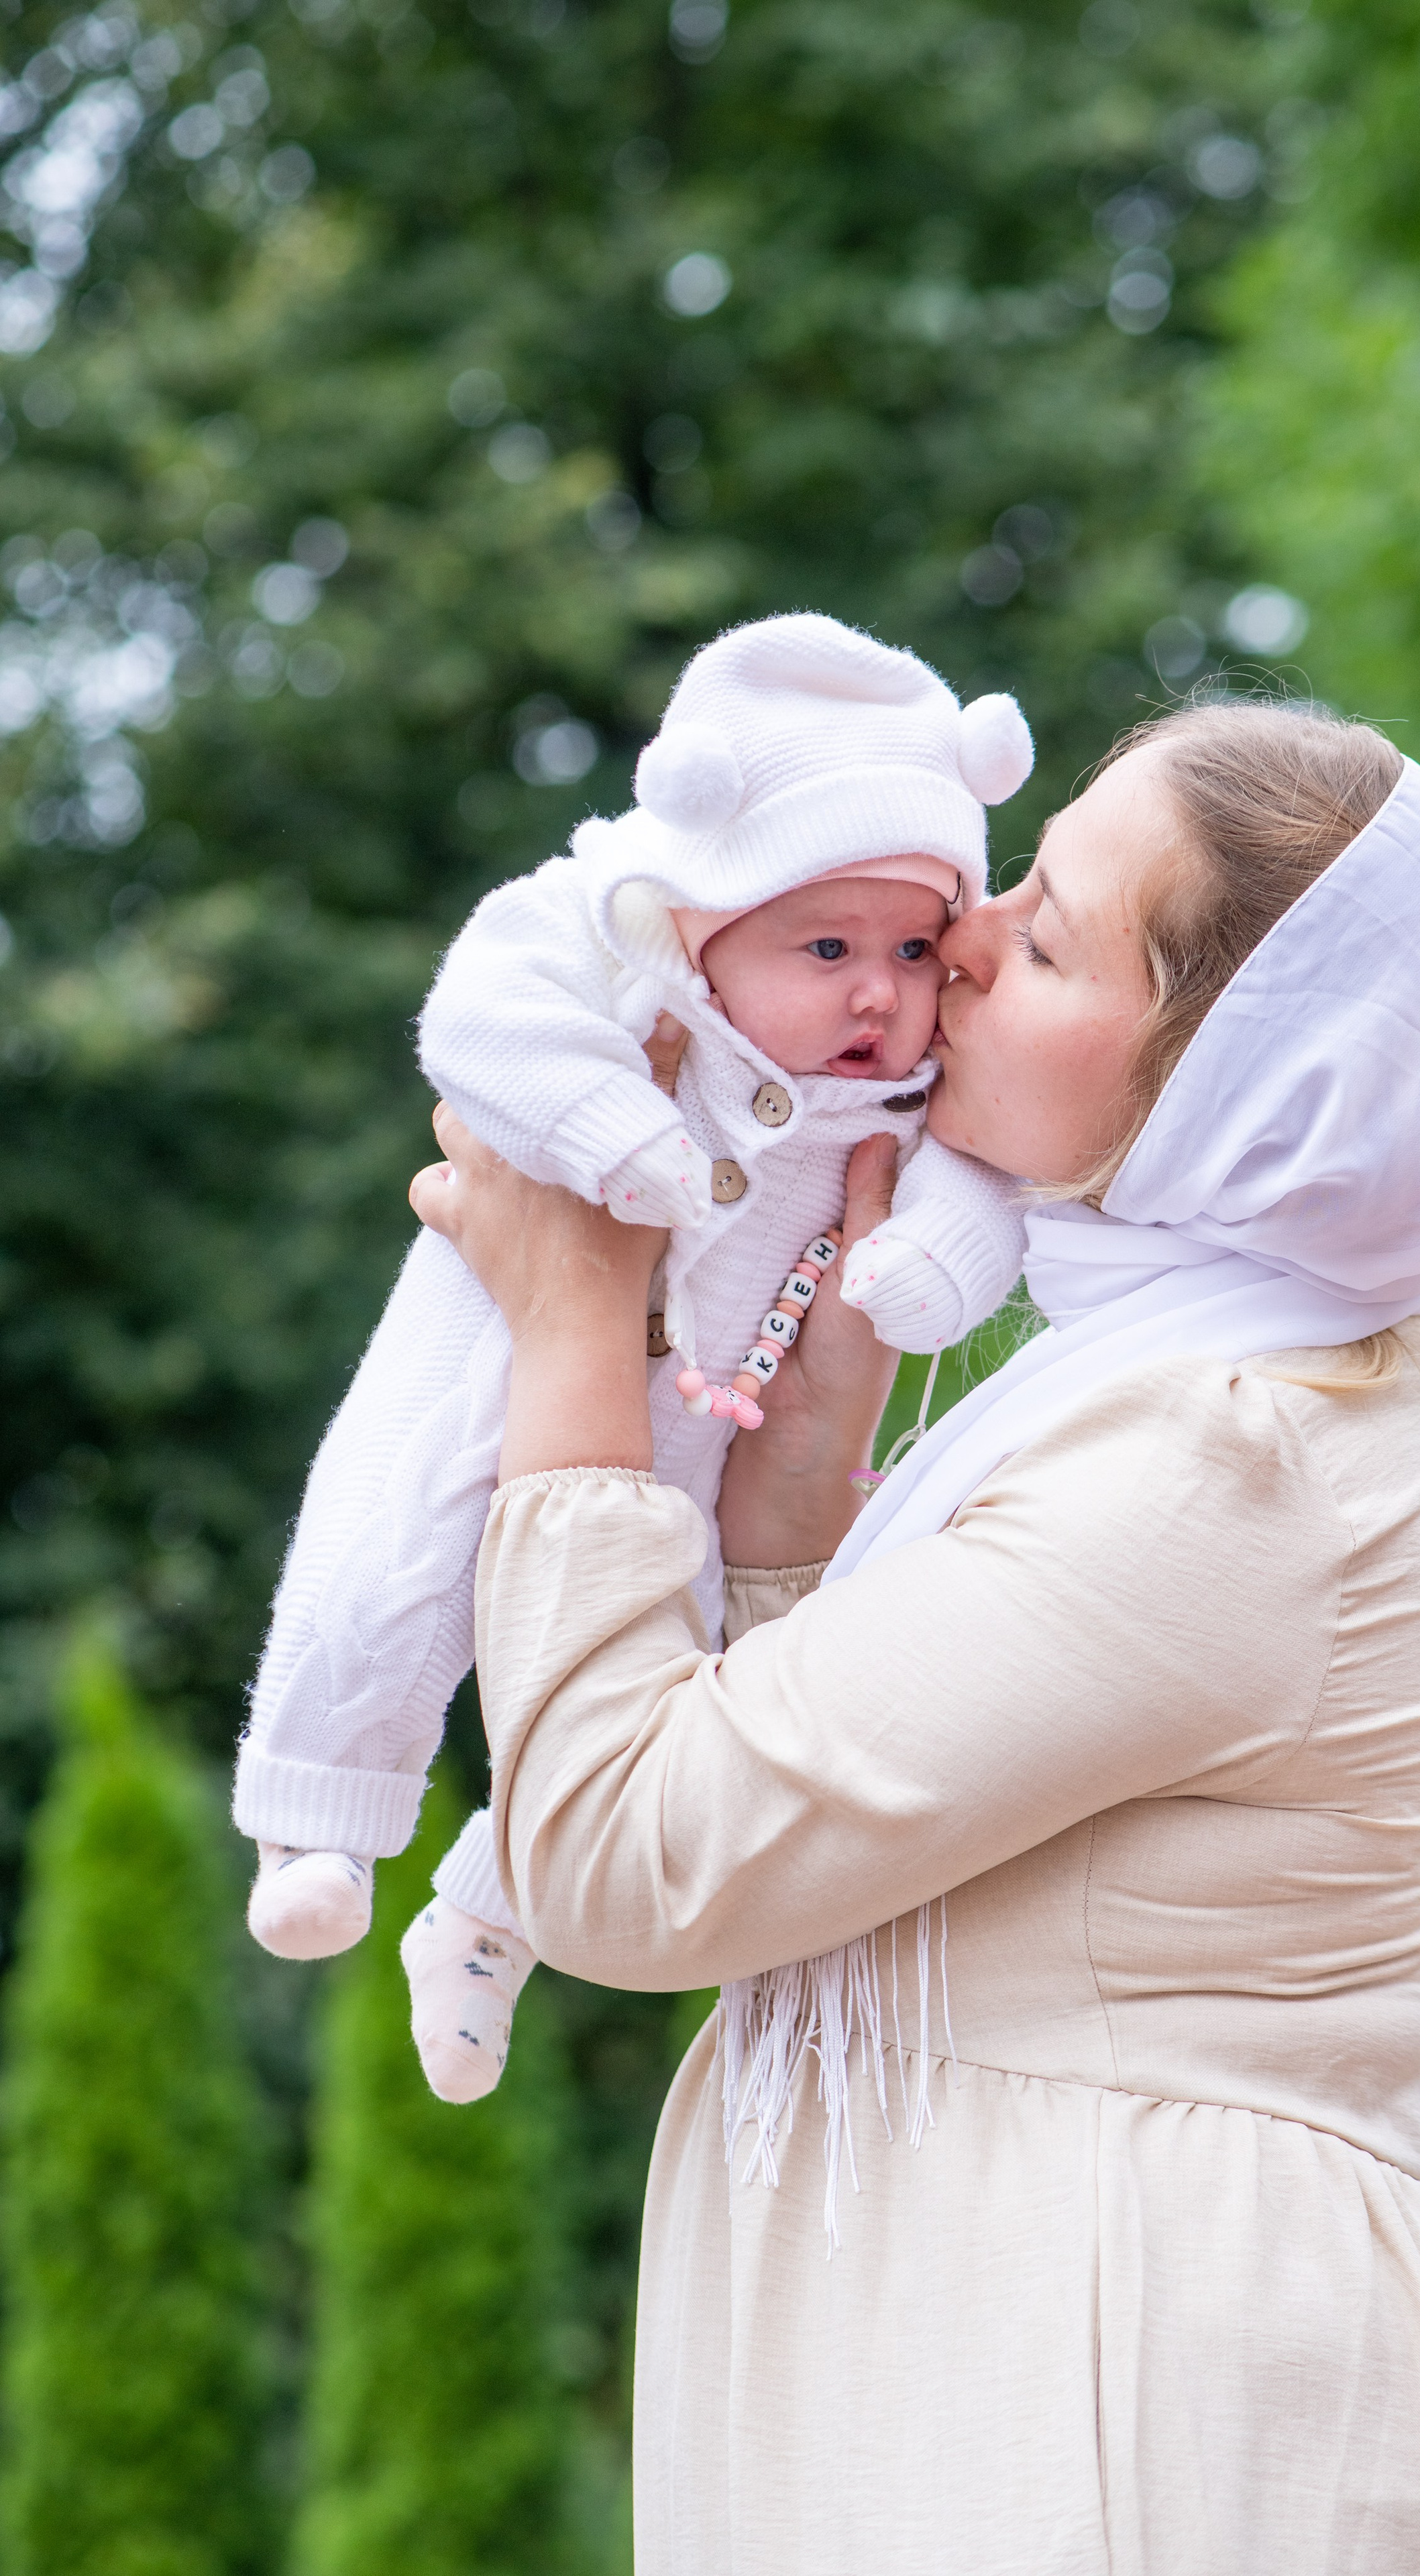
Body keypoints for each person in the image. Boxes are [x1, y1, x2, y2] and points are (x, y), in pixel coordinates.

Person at [409, 697, 1420, 2573]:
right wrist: (796, 1496)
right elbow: (829, 1851)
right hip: (1064, 2379)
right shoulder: (1181, 1403)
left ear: (1232, 1079)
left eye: (1056, 936)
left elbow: (627, 1859)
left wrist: (579, 1318)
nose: (966, 933)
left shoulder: (1231, 1456)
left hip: (1164, 2432)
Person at [232, 615, 1031, 2101]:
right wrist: (608, 1131)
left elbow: (984, 1191)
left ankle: (489, 1913)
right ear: (706, 919)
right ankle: (315, 1808)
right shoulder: (612, 939)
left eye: (915, 949)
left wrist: (928, 1267)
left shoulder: (920, 1088)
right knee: (394, 1527)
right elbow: (481, 1012)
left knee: (697, 1659)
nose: (877, 993)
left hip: (719, 1422)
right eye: (827, 946)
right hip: (501, 1309)